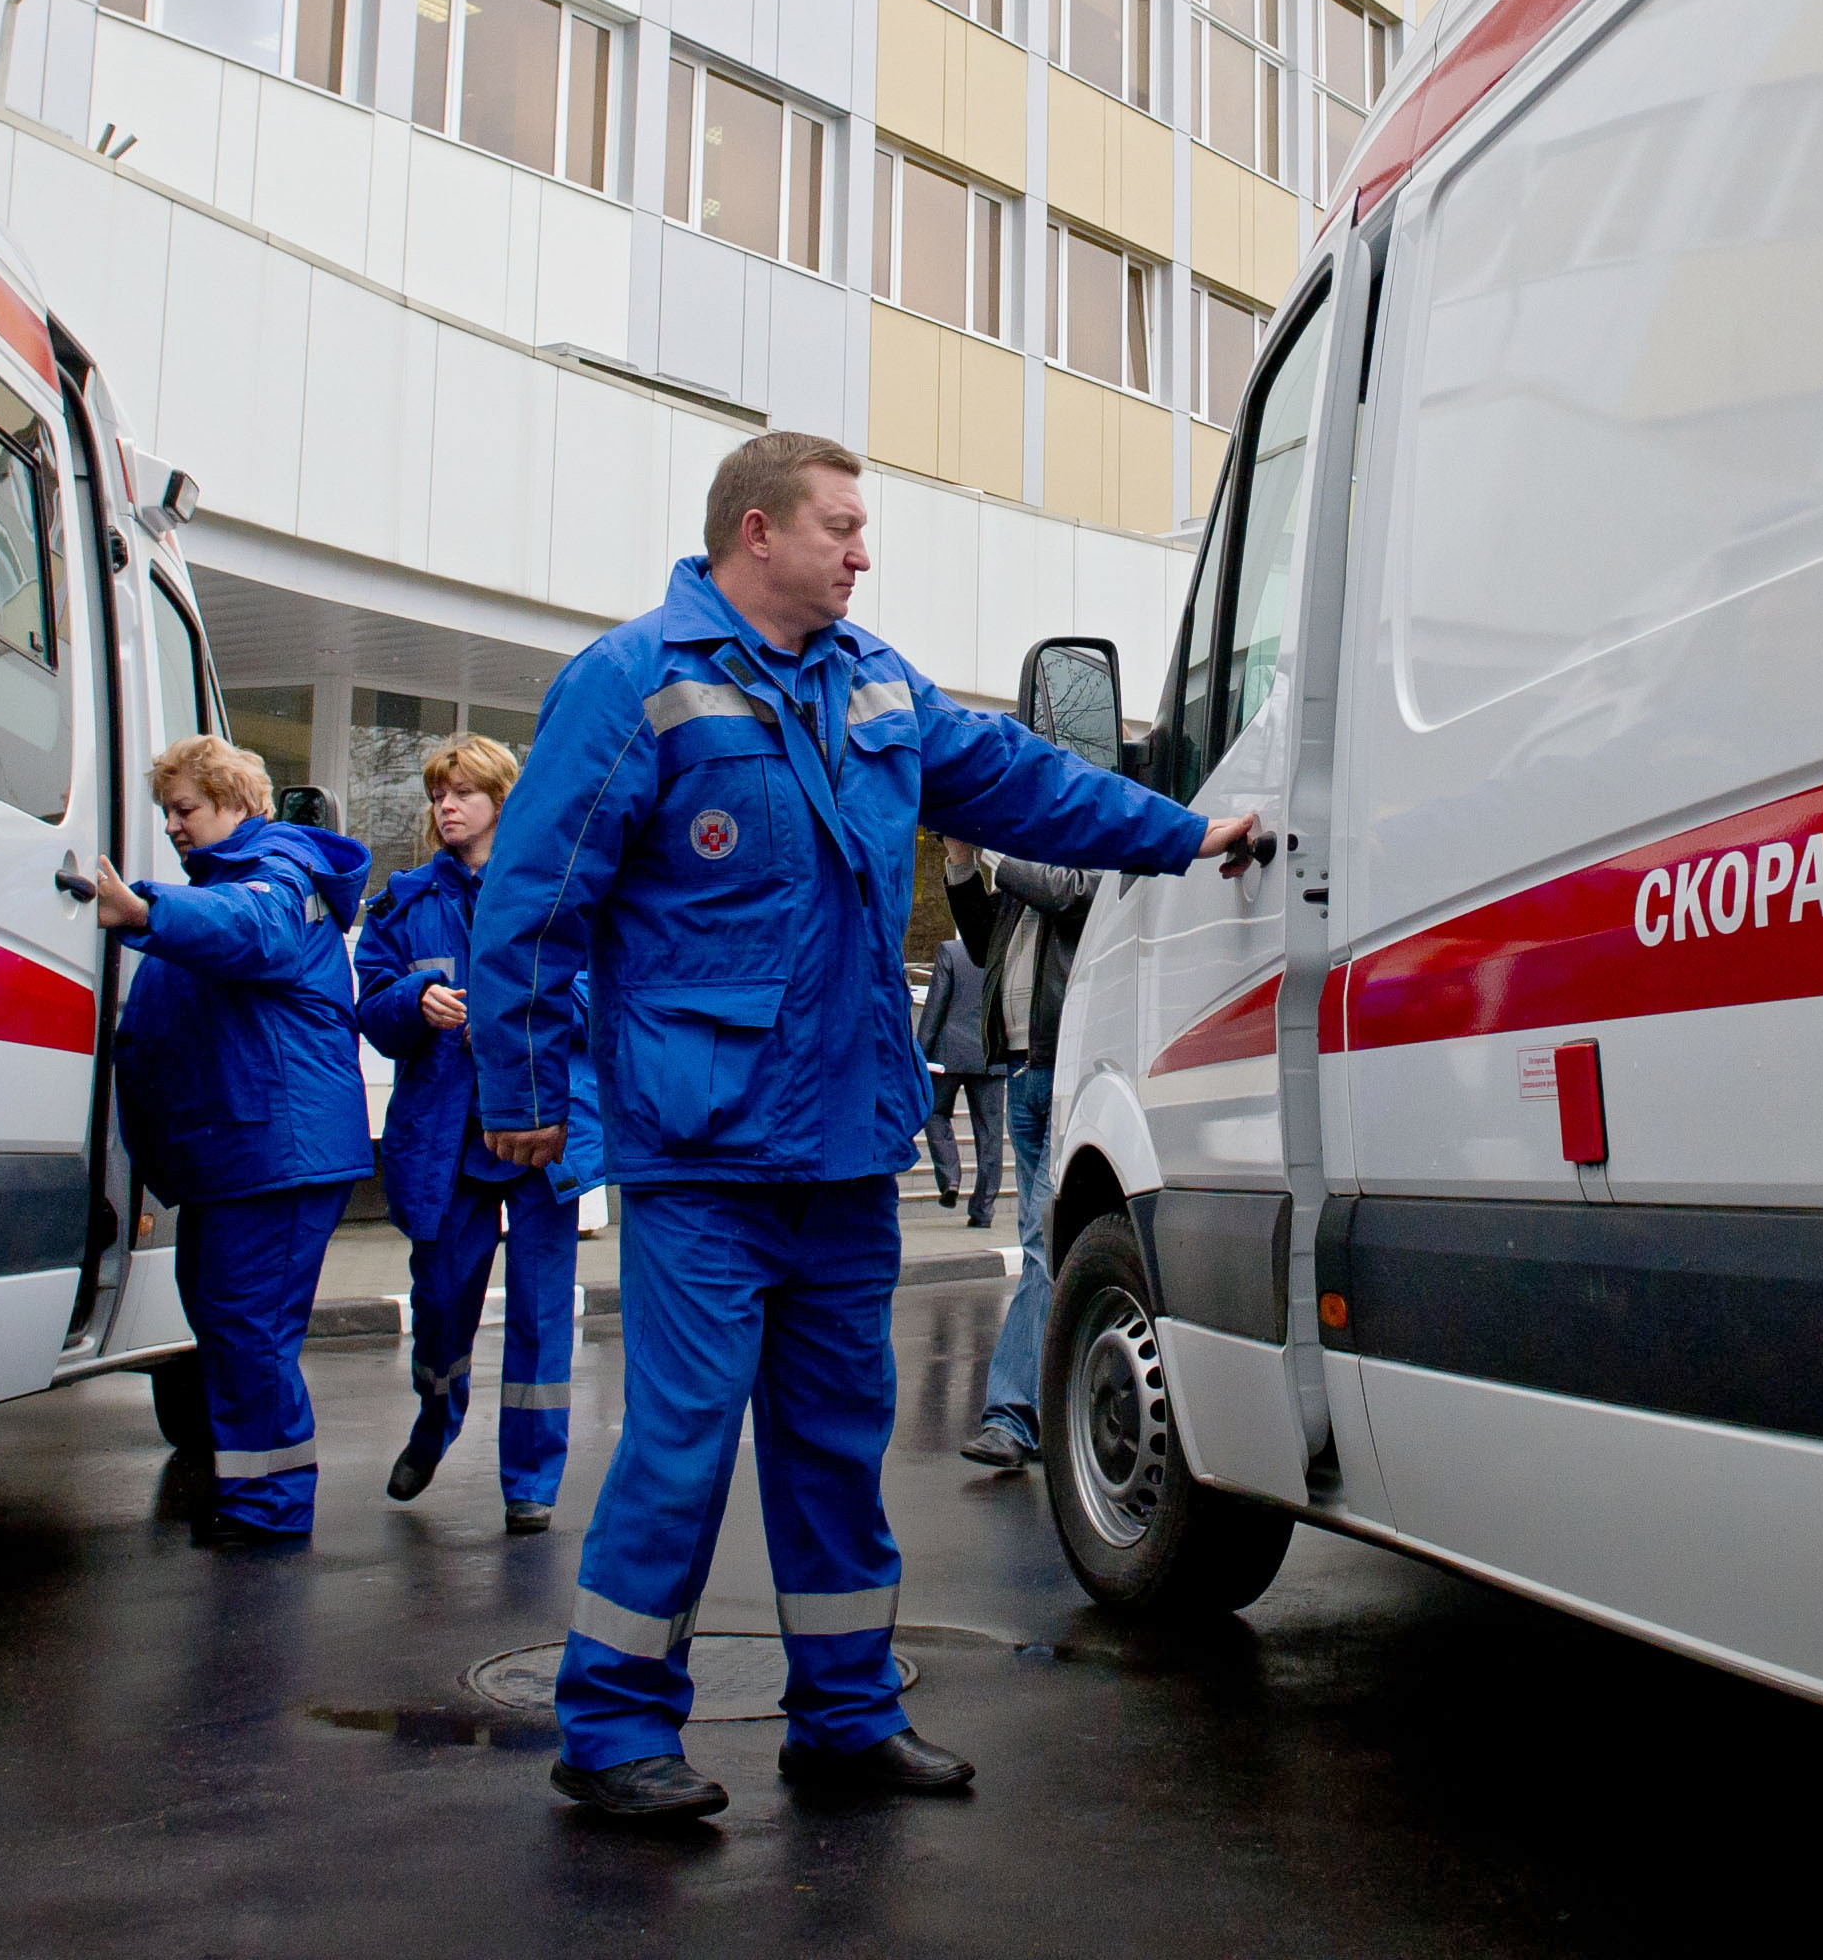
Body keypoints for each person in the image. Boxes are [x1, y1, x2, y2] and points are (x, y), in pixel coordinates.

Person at [459, 430, 1260, 1821]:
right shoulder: (633, 681)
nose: (862, 548)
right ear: (756, 533)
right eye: (840, 524)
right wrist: (525, 1097)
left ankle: (844, 1714)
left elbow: (1025, 782)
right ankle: (612, 1730)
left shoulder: (873, 681)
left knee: (839, 1437)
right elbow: (534, 903)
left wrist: (1186, 834)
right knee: (684, 1439)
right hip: (704, 1151)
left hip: (841, 1147)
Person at [92, 736, 374, 1551]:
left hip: (276, 1155)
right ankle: (251, 1494)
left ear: (237, 803)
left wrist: (148, 913)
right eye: (167, 812)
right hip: (240, 1154)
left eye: (187, 809)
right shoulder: (225, 880)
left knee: (248, 1330)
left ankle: (271, 1511)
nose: (175, 826)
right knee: (227, 1324)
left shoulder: (276, 864)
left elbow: (259, 928)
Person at [354, 735, 608, 1530]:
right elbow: (371, 1010)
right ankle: (436, 1421)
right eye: (438, 794)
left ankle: (531, 1482)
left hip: (541, 1133)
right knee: (442, 1301)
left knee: (540, 1314)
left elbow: (602, 1000)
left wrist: (518, 1007)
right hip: (446, 1139)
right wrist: (415, 1000)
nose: (447, 806)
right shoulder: (404, 900)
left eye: (463, 791)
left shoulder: (556, 889)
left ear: (503, 800)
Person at [951, 845, 1098, 1468]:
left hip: (1067, 1069)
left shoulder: (1083, 846)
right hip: (1020, 1067)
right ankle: (1057, 1407)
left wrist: (994, 849)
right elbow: (986, 949)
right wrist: (962, 867)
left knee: (1042, 1243)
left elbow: (1072, 892)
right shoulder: (1020, 873)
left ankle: (1010, 1415)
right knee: (1049, 1246)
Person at [915, 903, 1001, 1223]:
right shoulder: (1003, 954)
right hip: (991, 1055)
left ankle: (950, 1177)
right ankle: (983, 1211)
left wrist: (920, 1054)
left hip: (948, 1054)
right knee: (990, 1134)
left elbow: (935, 1005)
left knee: (934, 1112)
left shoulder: (950, 951)